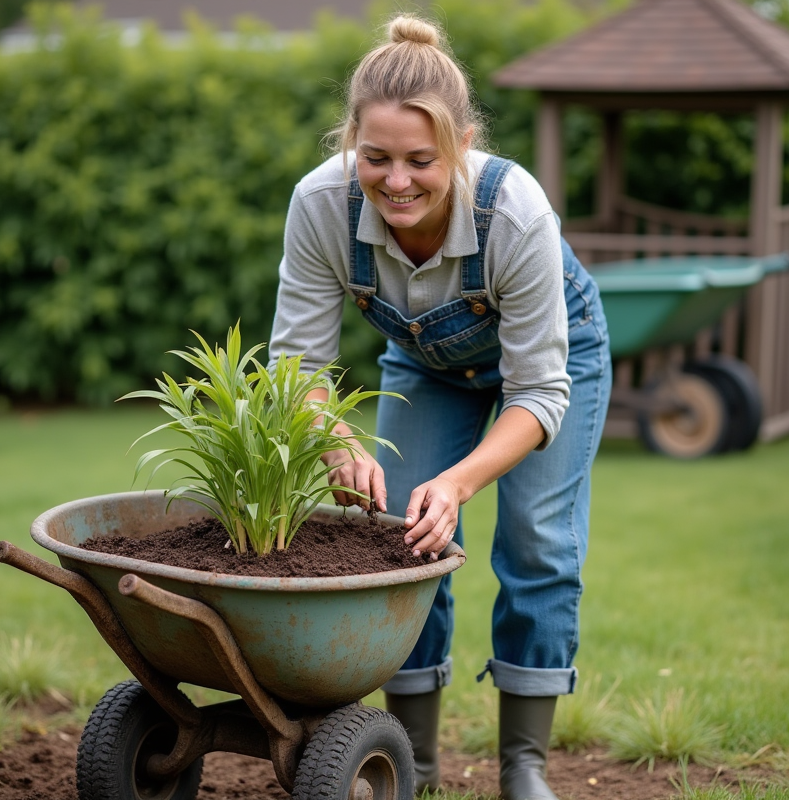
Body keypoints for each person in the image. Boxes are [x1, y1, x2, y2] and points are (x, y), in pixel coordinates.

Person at [268, 13, 611, 800]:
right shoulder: (320, 207)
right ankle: (413, 765)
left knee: (538, 544)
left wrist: (459, 484)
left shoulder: (514, 210)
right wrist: (332, 442)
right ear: (350, 139)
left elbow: (537, 391)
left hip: (554, 369)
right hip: (426, 365)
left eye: (421, 160)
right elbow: (299, 365)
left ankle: (522, 768)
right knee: (403, 543)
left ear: (461, 144)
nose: (396, 181)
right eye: (375, 157)